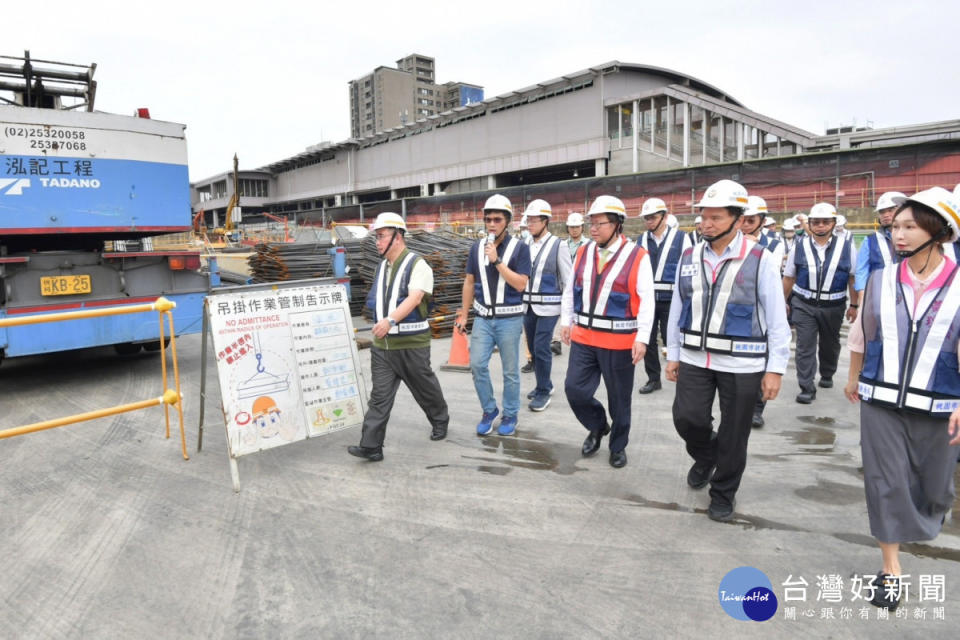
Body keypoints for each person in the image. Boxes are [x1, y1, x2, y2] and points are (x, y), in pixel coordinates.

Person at [843, 186, 960, 611]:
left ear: (940, 232)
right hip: (881, 400)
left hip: (941, 406)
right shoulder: (881, 279)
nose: (899, 235)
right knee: (885, 483)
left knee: (934, 490)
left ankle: (925, 513)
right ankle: (890, 569)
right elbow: (862, 334)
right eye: (896, 226)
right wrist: (855, 377)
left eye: (910, 226)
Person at [665, 179, 790, 521]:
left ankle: (723, 492)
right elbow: (679, 304)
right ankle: (706, 456)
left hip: (743, 363)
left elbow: (777, 316)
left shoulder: (760, 259)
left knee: (735, 434)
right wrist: (673, 352)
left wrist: (775, 367)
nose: (706, 223)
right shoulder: (689, 255)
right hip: (694, 357)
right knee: (687, 419)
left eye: (715, 218)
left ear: (737, 219)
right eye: (703, 216)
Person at [560, 195, 654, 469]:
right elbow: (570, 289)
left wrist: (643, 339)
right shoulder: (583, 252)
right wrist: (566, 320)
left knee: (619, 400)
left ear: (617, 225)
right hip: (584, 338)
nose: (594, 228)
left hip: (620, 342)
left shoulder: (638, 257)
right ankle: (598, 425)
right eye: (592, 223)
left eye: (600, 223)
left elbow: (646, 300)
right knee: (574, 389)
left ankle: (618, 446)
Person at [348, 212, 450, 462]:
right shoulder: (383, 267)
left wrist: (390, 320)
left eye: (381, 236)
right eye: (377, 237)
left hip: (411, 344)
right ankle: (371, 446)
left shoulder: (419, 265)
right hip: (383, 346)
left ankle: (440, 419)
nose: (377, 242)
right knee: (380, 397)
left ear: (398, 236)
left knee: (424, 387)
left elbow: (415, 298)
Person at [457, 194, 531, 436]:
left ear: (507, 221)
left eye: (497, 219)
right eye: (487, 219)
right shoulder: (476, 248)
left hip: (510, 319)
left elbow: (521, 284)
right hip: (482, 318)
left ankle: (510, 414)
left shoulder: (520, 249)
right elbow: (469, 282)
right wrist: (463, 314)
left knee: (510, 371)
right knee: (477, 365)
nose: (491, 224)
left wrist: (497, 261)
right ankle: (489, 410)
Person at [782, 202, 858, 403]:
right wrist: (782, 302)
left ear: (833, 223)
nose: (821, 226)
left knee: (830, 344)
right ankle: (806, 387)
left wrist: (855, 305)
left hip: (834, 305)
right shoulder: (799, 246)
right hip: (804, 303)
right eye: (816, 222)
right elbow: (789, 277)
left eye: (826, 222)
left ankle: (827, 372)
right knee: (804, 345)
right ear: (811, 223)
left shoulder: (847, 246)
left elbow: (852, 278)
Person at [521, 199, 573, 411]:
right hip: (528, 306)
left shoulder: (558, 245)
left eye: (534, 220)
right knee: (533, 348)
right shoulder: (525, 245)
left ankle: (543, 392)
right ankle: (546, 384)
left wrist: (569, 315)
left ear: (545, 221)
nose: (530, 224)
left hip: (550, 306)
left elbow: (568, 280)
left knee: (542, 347)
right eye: (528, 221)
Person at [636, 197, 690, 395]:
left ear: (664, 217)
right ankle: (653, 378)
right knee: (648, 340)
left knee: (672, 338)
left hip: (672, 299)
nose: (649, 221)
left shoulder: (681, 238)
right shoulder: (641, 240)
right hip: (648, 300)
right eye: (646, 218)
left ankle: (682, 376)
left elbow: (687, 269)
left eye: (652, 217)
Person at [855, 191, 906, 292]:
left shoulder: (918, 238)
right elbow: (861, 271)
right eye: (882, 212)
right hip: (880, 293)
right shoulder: (870, 240)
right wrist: (862, 293)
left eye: (891, 210)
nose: (886, 215)